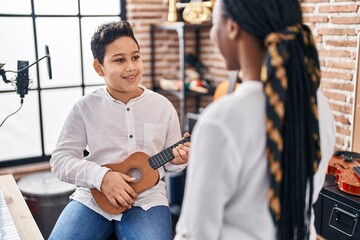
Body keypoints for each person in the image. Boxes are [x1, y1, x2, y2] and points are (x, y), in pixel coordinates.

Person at [175, 0, 335, 240]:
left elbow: (196, 234)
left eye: (214, 22)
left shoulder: (221, 121)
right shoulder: (319, 106)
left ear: (232, 27)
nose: (210, 34)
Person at [49, 20, 190, 240]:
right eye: (119, 60)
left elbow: (171, 165)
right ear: (99, 67)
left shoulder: (163, 106)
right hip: (93, 199)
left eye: (135, 57)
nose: (131, 67)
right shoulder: (85, 107)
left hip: (147, 201)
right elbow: (60, 161)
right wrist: (102, 177)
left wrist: (179, 161)